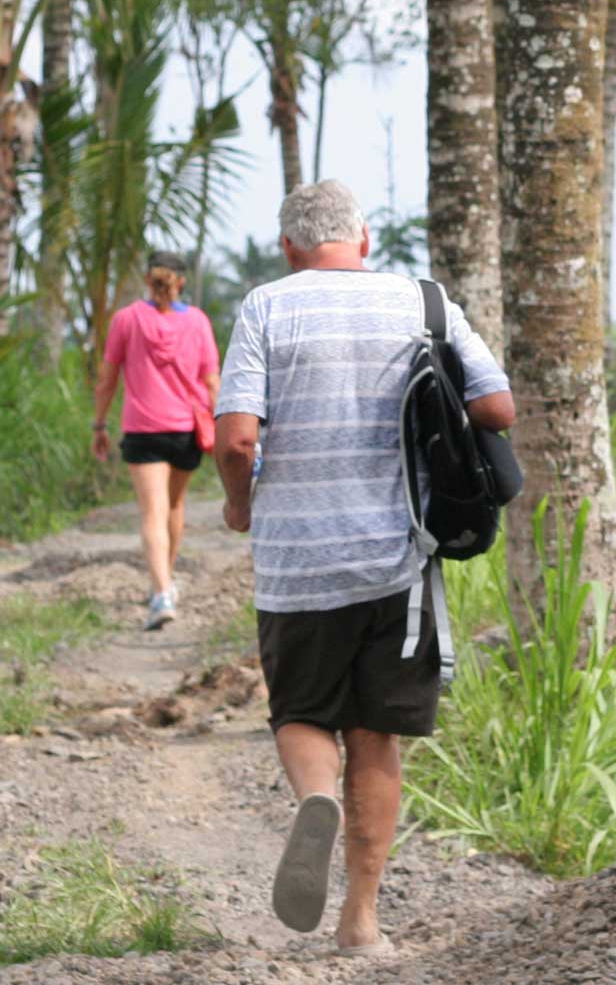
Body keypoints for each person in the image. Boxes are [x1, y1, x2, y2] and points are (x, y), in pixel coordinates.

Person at [211, 181, 514, 957]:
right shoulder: (424, 302)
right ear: (365, 238)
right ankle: (361, 925)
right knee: (376, 735)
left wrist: (240, 507)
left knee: (302, 713)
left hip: (297, 563)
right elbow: (497, 408)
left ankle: (317, 798)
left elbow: (237, 438)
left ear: (289, 246)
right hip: (398, 561)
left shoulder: (266, 307)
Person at [93, 252, 222, 631]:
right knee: (175, 506)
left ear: (148, 279)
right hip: (185, 430)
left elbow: (107, 380)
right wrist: (224, 428)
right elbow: (212, 382)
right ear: (180, 281)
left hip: (143, 429)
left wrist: (99, 425)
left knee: (152, 511)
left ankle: (161, 591)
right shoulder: (197, 321)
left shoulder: (126, 319)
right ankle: (165, 580)